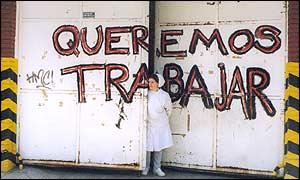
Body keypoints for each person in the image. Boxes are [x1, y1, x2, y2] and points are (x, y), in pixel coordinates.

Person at [142, 73, 173, 176]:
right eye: (149, 82)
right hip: (148, 124)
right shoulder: (146, 93)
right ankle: (145, 167)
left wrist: (162, 120)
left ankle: (157, 168)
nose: (150, 84)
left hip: (160, 125)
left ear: (158, 83)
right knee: (147, 147)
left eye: (152, 82)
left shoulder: (164, 95)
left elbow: (169, 109)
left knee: (158, 147)